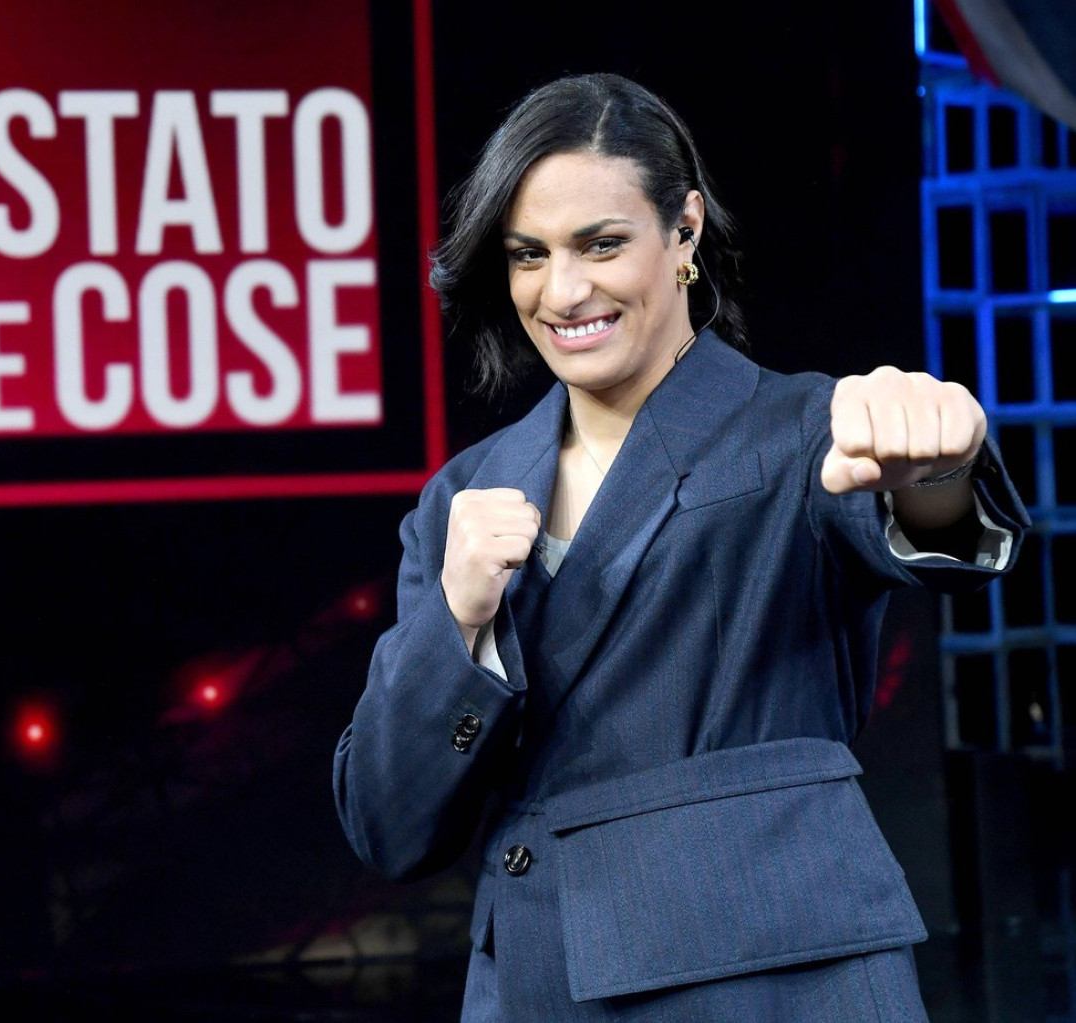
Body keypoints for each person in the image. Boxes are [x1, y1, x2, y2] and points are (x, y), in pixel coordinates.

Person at [331, 73, 1029, 1021]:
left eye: (601, 244)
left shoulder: (803, 431)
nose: (562, 291)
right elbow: (388, 823)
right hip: (535, 986)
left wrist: (937, 465)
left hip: (768, 988)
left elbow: (925, 528)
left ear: (685, 230)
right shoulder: (463, 497)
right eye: (529, 254)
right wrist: (458, 624)